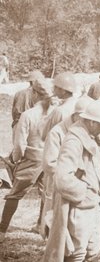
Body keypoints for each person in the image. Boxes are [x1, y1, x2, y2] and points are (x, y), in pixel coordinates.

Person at [44, 100, 100, 262]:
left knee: (93, 251)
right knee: (76, 253)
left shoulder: (89, 136)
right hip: (80, 209)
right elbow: (62, 178)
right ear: (91, 122)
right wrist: (85, 193)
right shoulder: (74, 140)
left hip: (93, 206)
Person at [0, 79, 54, 243]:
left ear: (35, 93)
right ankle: (42, 227)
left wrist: (14, 160)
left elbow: (19, 145)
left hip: (32, 158)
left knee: (14, 194)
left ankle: (2, 231)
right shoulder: (56, 112)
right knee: (47, 194)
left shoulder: (28, 115)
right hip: (50, 157)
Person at [41, 95, 94, 238]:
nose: (88, 123)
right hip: (57, 186)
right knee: (54, 223)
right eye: (85, 119)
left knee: (73, 226)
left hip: (76, 186)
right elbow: (49, 163)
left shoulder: (85, 131)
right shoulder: (57, 133)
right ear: (76, 115)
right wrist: (69, 172)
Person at [41, 72, 77, 142]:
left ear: (63, 90)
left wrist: (47, 110)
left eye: (55, 87)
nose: (53, 90)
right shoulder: (78, 104)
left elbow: (44, 136)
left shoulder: (59, 111)